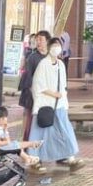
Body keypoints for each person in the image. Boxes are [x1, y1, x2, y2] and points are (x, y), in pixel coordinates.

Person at [28, 37, 84, 168]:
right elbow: (37, 85)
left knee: (65, 130)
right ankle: (34, 159)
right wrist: (53, 94)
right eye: (53, 46)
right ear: (49, 48)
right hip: (45, 105)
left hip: (59, 105)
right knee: (39, 132)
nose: (56, 48)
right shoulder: (43, 64)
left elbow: (63, 86)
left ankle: (70, 157)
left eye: (58, 46)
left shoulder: (61, 65)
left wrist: (63, 100)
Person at [19, 30, 50, 138]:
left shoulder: (50, 57)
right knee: (29, 121)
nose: (38, 42)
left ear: (47, 41)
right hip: (32, 95)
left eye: (41, 40)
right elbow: (28, 77)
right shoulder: (32, 57)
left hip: (47, 95)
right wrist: (33, 91)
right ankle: (26, 143)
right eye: (37, 40)